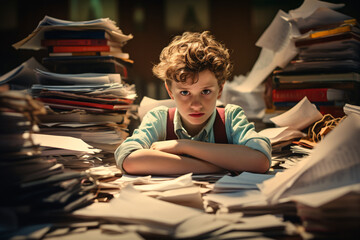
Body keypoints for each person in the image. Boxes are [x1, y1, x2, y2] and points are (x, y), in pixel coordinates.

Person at [115, 31, 271, 175]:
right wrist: (212, 167)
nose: (196, 105)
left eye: (205, 92)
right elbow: (128, 158)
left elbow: (260, 160)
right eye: (184, 93)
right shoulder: (159, 119)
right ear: (170, 92)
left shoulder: (230, 118)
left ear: (220, 89)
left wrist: (182, 146)